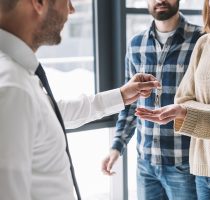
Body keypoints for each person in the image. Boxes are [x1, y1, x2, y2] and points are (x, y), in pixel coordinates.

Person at [102, 0, 210, 199]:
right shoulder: (136, 44)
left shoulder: (205, 39)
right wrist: (116, 147)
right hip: (146, 162)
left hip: (187, 161)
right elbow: (130, 105)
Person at [0, 0, 160, 200]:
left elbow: (56, 113)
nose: (71, 9)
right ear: (39, 3)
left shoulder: (17, 76)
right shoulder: (12, 86)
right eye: (66, 1)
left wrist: (121, 95)